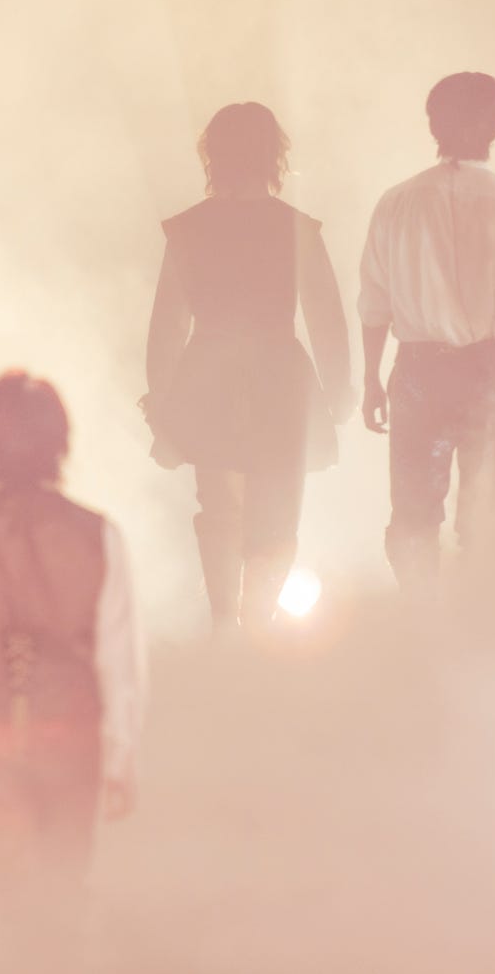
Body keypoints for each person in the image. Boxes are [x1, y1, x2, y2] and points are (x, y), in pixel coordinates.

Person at [0, 370, 145, 948]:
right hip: (73, 743)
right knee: (61, 895)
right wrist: (119, 758)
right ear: (60, 443)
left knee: (9, 903)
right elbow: (118, 659)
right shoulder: (98, 535)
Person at [144, 102, 352, 631]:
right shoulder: (296, 229)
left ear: (213, 156)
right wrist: (339, 389)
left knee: (219, 509)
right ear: (272, 155)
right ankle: (256, 629)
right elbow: (326, 317)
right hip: (279, 375)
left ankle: (224, 627)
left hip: (210, 373)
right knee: (277, 516)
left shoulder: (189, 229)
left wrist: (161, 398)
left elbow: (168, 322)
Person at [357, 72, 495, 590]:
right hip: (491, 370)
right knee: (485, 521)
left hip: (420, 372)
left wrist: (372, 378)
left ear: (433, 124)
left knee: (413, 518)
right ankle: (474, 619)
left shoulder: (396, 204)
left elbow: (374, 303)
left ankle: (417, 617)